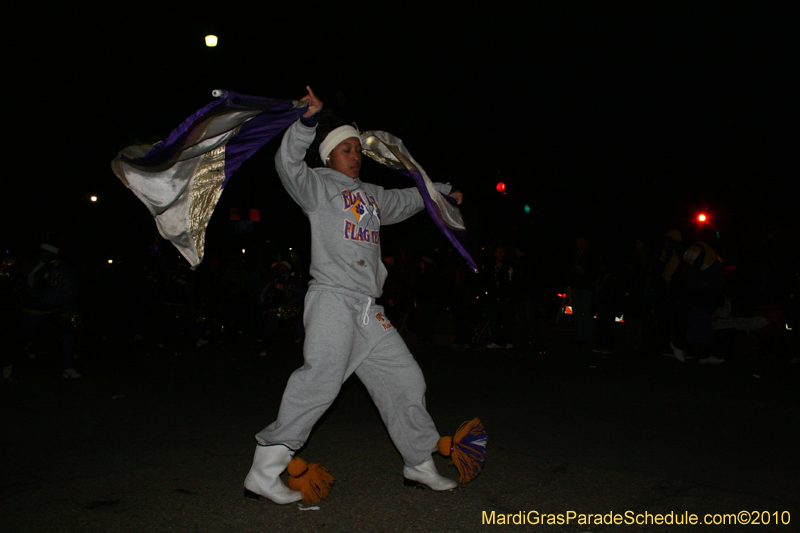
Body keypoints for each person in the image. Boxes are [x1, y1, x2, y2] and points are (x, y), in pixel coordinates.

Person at [244, 87, 465, 504]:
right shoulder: (317, 187)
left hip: (368, 309)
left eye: (356, 149)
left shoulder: (373, 196)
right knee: (321, 382)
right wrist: (307, 124)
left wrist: (441, 192)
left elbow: (410, 196)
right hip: (332, 300)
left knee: (405, 379)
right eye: (345, 149)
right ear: (328, 156)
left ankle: (418, 463)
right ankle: (265, 470)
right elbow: (287, 164)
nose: (354, 155)